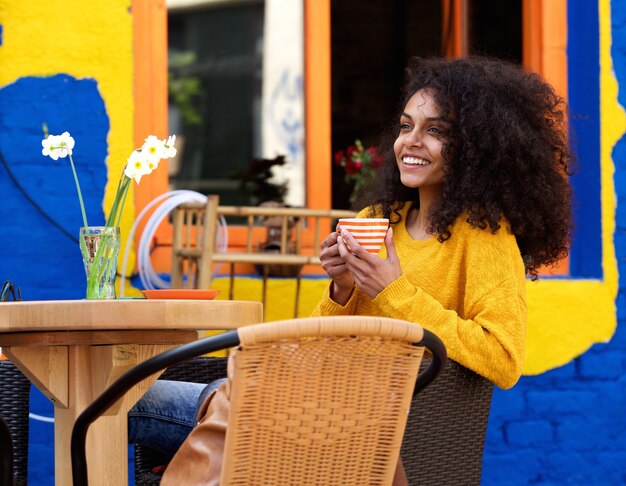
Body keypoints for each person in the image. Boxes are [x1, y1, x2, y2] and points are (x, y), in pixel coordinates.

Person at [128, 55, 572, 482]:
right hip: (309, 403)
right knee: (167, 397)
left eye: (435, 131)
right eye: (406, 126)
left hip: (370, 427)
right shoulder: (377, 220)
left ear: (478, 148)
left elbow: (503, 358)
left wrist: (392, 289)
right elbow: (319, 346)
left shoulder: (483, 238)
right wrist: (340, 290)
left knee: (129, 403)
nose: (411, 141)